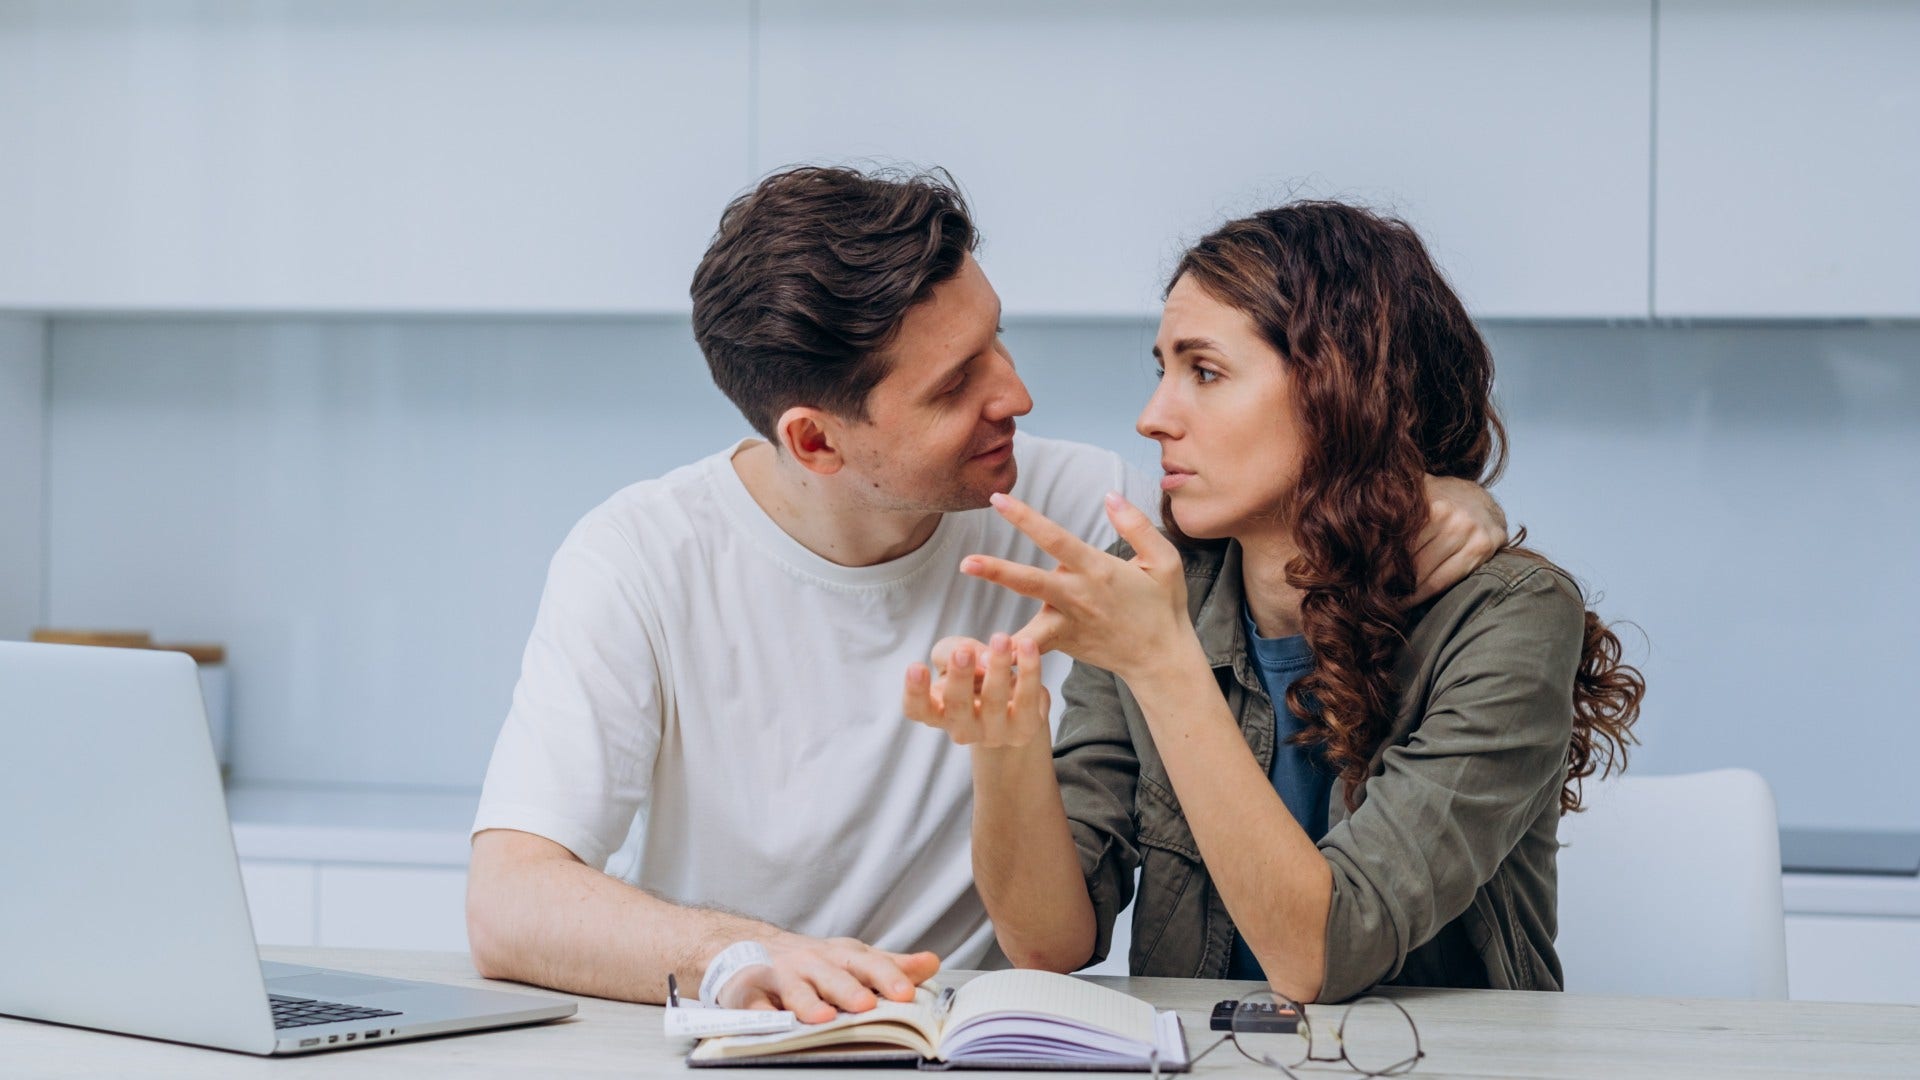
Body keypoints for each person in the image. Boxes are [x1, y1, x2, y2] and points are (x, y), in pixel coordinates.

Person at [466, 169, 1509, 1020]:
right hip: (747, 1033)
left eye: (995, 340)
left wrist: (1447, 494)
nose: (1014, 393)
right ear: (816, 441)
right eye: (955, 385)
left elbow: (1294, 483)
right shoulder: (641, 556)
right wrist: (742, 956)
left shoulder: (1080, 513)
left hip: (969, 1035)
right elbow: (509, 900)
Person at [905, 200, 1645, 1004]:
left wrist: (1161, 662)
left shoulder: (1507, 618)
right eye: (1162, 369)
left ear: (1340, 391)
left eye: (1206, 372)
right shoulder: (1157, 587)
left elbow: (1322, 955)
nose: (1154, 417)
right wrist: (1003, 746)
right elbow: (1052, 941)